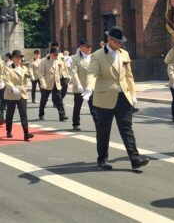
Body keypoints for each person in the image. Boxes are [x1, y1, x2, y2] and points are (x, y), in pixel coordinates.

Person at [84, 26, 149, 171]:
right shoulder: (97, 55)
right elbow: (92, 73)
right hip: (104, 98)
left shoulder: (124, 54)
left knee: (127, 129)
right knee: (103, 130)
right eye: (116, 42)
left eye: (121, 42)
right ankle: (102, 159)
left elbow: (129, 76)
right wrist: (89, 88)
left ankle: (135, 159)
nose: (119, 44)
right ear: (109, 39)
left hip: (123, 97)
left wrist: (133, 95)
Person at [1, 50, 34, 141]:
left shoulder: (24, 68)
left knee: (23, 114)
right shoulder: (8, 68)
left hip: (22, 93)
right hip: (12, 93)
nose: (18, 59)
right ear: (12, 58)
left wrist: (32, 76)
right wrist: (12, 88)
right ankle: (8, 131)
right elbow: (7, 79)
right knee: (10, 114)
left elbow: (27, 78)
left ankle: (26, 133)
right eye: (16, 57)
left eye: (19, 57)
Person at [70, 39, 96, 131]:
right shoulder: (75, 58)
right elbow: (74, 72)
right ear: (81, 47)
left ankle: (98, 125)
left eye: (90, 46)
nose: (89, 48)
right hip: (80, 87)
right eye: (87, 46)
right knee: (77, 106)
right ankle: (76, 123)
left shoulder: (93, 57)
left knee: (94, 107)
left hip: (90, 87)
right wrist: (78, 84)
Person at [38, 47, 68, 121]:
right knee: (44, 100)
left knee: (59, 100)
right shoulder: (44, 61)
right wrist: (43, 83)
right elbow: (40, 73)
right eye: (55, 55)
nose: (56, 56)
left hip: (56, 83)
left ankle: (62, 116)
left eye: (57, 55)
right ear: (50, 54)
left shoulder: (59, 60)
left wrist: (66, 77)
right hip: (46, 84)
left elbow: (62, 70)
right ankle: (41, 114)